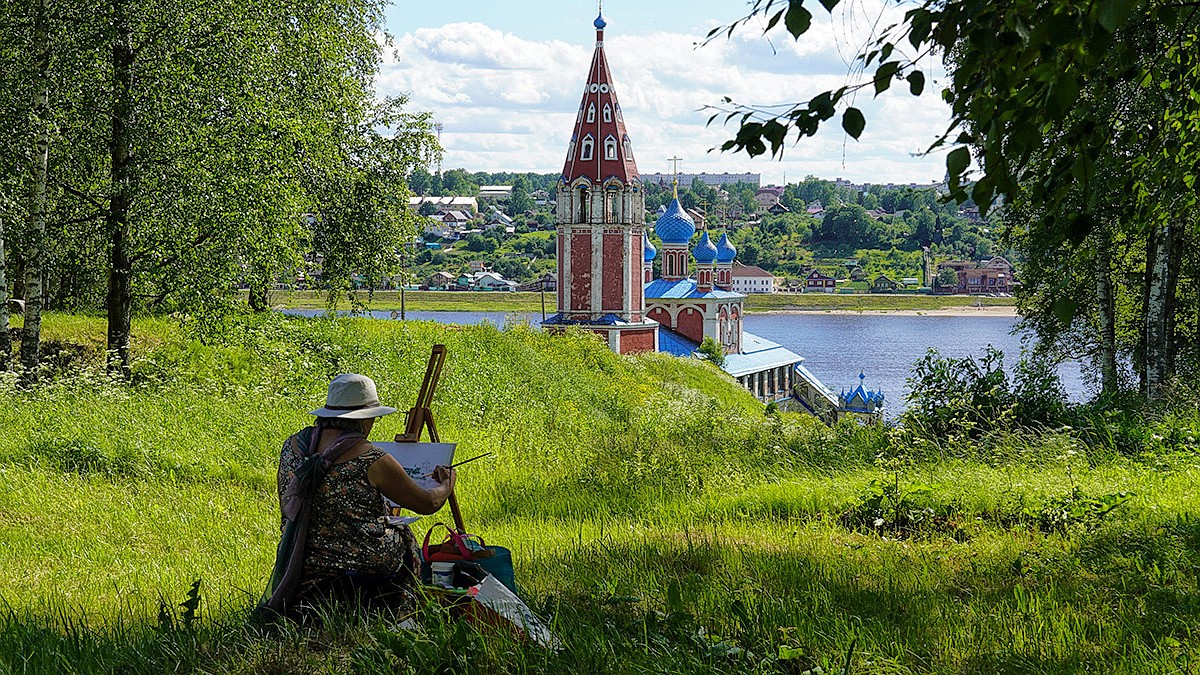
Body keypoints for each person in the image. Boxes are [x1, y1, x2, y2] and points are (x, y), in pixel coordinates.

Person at [259, 373, 456, 617]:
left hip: (300, 561)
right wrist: (446, 484)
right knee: (403, 536)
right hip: (357, 566)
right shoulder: (370, 458)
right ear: (365, 421)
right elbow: (428, 503)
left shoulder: (293, 446)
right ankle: (401, 611)